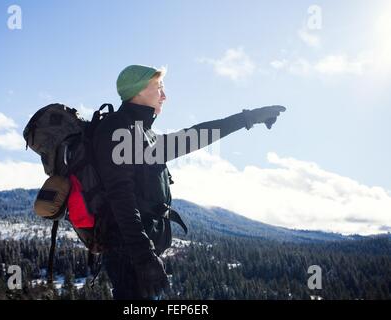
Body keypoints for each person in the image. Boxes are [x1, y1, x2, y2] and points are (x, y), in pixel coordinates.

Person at [92, 64, 286, 300]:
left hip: (141, 252)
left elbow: (194, 136)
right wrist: (143, 257)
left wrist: (247, 118)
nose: (165, 95)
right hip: (129, 254)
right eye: (159, 88)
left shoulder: (144, 133)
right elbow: (120, 198)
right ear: (138, 91)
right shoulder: (117, 129)